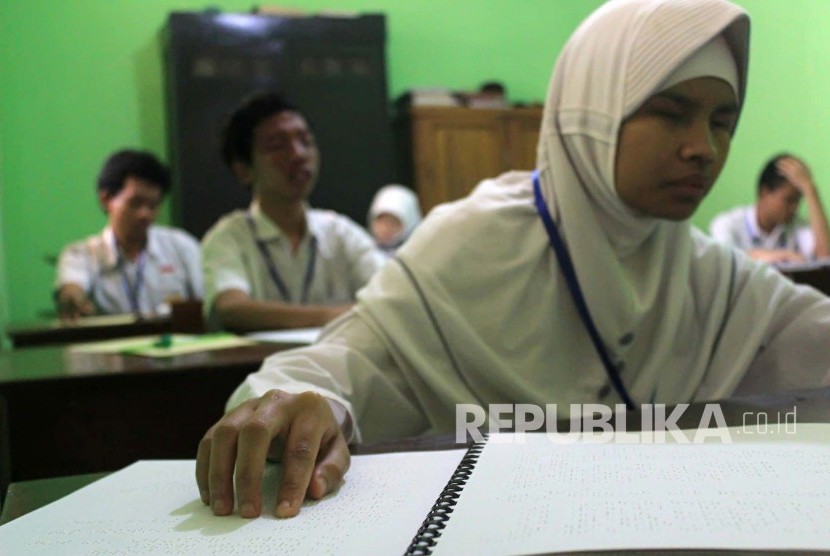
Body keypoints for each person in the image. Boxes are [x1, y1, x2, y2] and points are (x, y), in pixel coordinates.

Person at [196, 0, 830, 520]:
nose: (704, 148)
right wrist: (297, 399)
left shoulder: (708, 271)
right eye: (668, 113)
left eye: (723, 121)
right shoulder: (475, 240)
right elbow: (341, 362)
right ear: (592, 113)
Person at [200, 93, 387, 333]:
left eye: (306, 141)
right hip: (258, 367)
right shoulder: (229, 236)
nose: (298, 154)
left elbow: (389, 296)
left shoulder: (340, 232)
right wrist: (336, 315)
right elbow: (233, 309)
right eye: (277, 146)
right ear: (244, 170)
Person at [55, 149, 202, 320]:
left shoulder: (181, 246)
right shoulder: (80, 254)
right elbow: (72, 288)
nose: (145, 214)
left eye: (153, 205)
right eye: (135, 203)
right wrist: (73, 299)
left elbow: (206, 303)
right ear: (106, 200)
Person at [709, 154, 830, 263]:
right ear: (764, 192)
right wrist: (784, 256)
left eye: (798, 201)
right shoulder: (726, 224)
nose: (794, 208)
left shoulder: (796, 225)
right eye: (789, 200)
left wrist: (810, 189)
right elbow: (727, 261)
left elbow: (825, 256)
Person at [366, 184, 422, 255]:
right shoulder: (362, 249)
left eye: (393, 224)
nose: (385, 229)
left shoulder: (416, 254)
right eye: (381, 222)